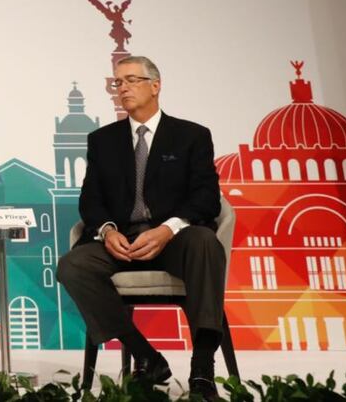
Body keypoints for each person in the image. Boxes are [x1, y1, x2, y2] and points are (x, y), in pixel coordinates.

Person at [57, 56, 225, 399]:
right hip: (123, 244)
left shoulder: (192, 136)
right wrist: (107, 230)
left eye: (132, 80)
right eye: (118, 83)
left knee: (205, 241)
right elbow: (91, 201)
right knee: (73, 265)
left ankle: (203, 366)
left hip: (175, 240)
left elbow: (207, 199)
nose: (123, 89)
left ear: (155, 85)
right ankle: (145, 354)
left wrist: (168, 229)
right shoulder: (102, 140)